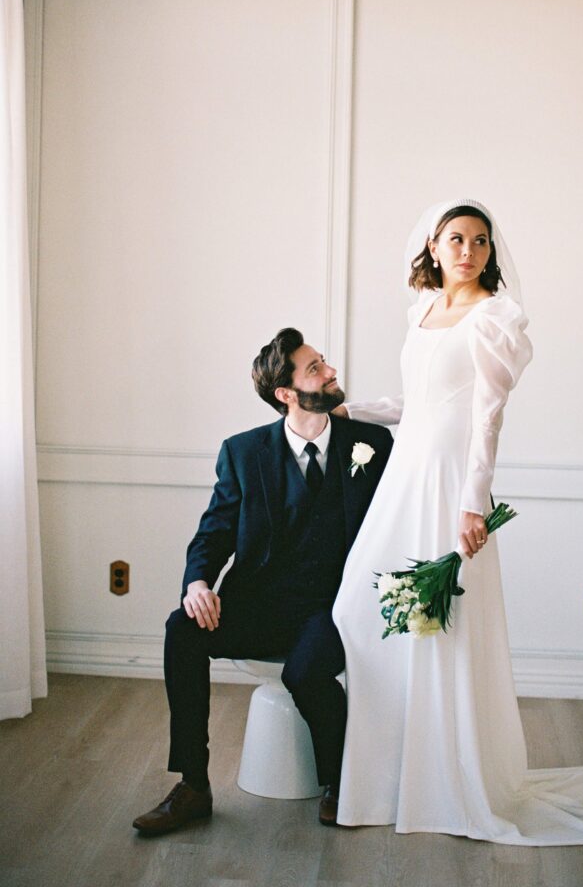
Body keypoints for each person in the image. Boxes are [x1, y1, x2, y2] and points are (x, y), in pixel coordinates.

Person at [332, 199, 583, 844]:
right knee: (362, 607)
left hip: (450, 484)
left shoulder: (494, 317)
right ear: (433, 246)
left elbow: (486, 416)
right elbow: (421, 402)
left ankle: (444, 782)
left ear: (490, 252)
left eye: (480, 241)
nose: (469, 251)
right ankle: (393, 775)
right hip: (407, 476)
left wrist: (474, 502)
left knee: (440, 625)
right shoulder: (423, 310)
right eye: (456, 239)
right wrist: (354, 410)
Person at [133, 328, 393, 835]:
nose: (331, 371)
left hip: (332, 610)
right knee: (181, 630)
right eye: (315, 368)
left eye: (324, 362)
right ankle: (193, 786)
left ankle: (340, 781)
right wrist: (197, 583)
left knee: (306, 672)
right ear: (286, 393)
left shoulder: (371, 444)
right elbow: (214, 531)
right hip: (258, 604)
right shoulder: (243, 452)